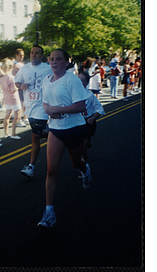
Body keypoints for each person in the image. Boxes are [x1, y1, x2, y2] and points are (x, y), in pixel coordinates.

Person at [37, 48, 91, 228]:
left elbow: (80, 105)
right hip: (56, 130)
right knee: (51, 171)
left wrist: (57, 110)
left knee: (76, 164)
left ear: (67, 62)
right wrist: (48, 109)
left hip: (75, 128)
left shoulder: (72, 79)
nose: (53, 62)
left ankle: (85, 168)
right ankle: (49, 213)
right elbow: (45, 102)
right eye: (51, 59)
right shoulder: (46, 80)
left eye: (58, 59)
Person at [14, 45, 53, 177]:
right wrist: (21, 86)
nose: (34, 55)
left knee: (35, 137)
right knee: (40, 133)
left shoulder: (48, 69)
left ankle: (30, 167)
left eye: (37, 53)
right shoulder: (24, 68)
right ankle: (58, 135)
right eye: (32, 53)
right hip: (30, 109)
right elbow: (17, 82)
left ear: (42, 56)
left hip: (42, 107)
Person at [78, 71, 105, 165]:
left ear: (86, 82)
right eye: (78, 79)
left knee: (83, 148)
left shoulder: (89, 95)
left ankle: (84, 167)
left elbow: (100, 109)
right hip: (76, 122)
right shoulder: (71, 94)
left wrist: (92, 118)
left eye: (83, 80)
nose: (80, 82)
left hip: (86, 122)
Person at [0, 58, 22, 140]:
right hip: (14, 98)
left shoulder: (2, 77)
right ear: (11, 66)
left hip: (6, 98)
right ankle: (13, 133)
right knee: (17, 116)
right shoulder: (11, 77)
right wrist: (19, 86)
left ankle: (6, 132)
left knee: (7, 116)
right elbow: (14, 89)